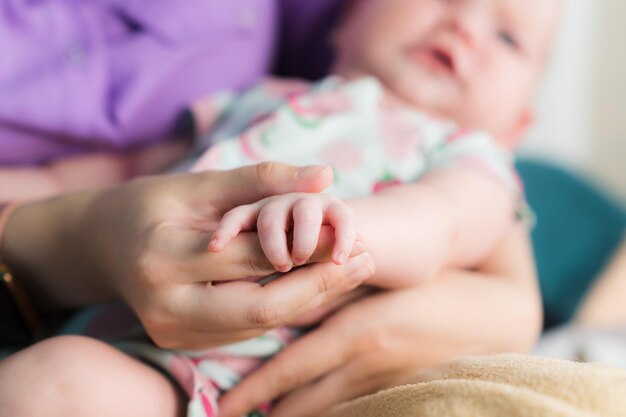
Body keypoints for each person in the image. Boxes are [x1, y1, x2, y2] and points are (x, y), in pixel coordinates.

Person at [0, 1, 547, 417]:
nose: (466, 25)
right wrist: (30, 185)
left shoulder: (468, 156)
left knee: (55, 385)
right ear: (344, 21)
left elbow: (439, 224)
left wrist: (329, 224)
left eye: (508, 37)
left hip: (202, 376)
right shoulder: (254, 98)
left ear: (517, 126)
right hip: (98, 304)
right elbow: (111, 173)